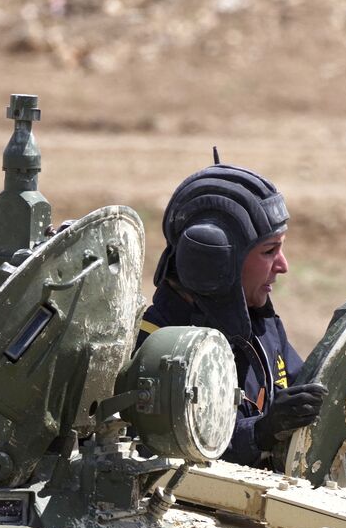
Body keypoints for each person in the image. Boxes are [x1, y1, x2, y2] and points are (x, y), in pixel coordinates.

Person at [139, 162, 326, 467]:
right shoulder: (155, 350)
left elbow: (299, 387)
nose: (283, 265)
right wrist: (261, 432)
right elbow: (166, 457)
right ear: (219, 262)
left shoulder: (260, 326)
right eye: (269, 251)